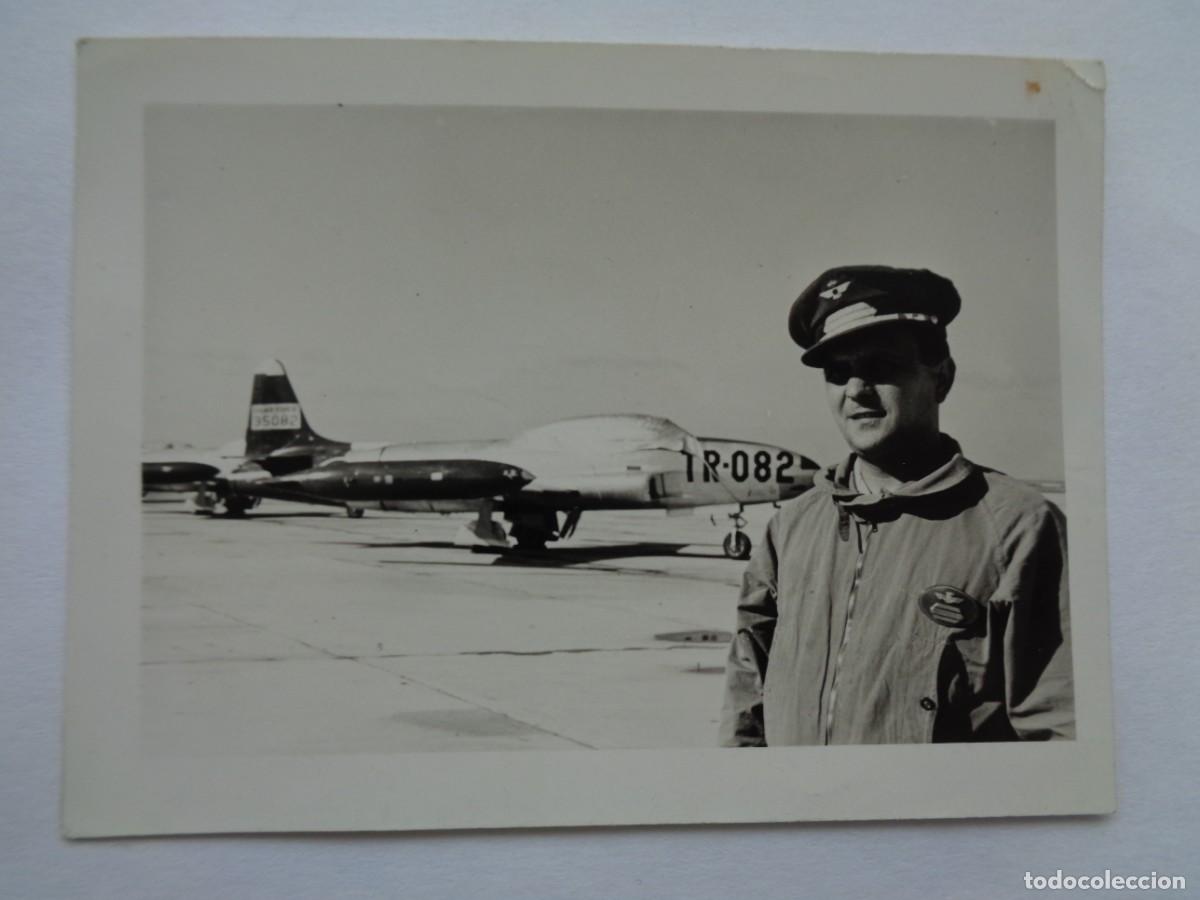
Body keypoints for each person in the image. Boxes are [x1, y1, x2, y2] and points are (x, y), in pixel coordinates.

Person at [719, 265, 1073, 746]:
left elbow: (1058, 733)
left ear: (941, 378)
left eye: (881, 367)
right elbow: (748, 694)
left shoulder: (1019, 527)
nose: (856, 392)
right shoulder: (792, 527)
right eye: (838, 373)